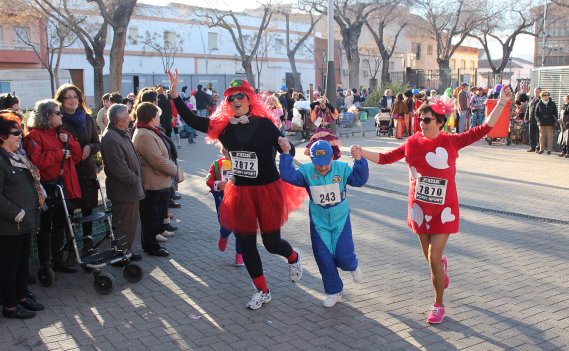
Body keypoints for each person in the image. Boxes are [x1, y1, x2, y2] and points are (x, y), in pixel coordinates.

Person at [352, 85, 513, 324]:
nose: (421, 124)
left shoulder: (452, 142)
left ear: (440, 122)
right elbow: (387, 158)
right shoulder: (412, 143)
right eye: (419, 119)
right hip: (419, 210)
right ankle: (441, 267)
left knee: (433, 257)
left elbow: (484, 128)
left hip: (444, 211)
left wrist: (501, 103)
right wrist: (362, 152)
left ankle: (438, 304)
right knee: (430, 258)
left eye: (426, 120)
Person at [168, 70, 307, 310]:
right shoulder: (224, 128)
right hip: (241, 192)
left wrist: (286, 147)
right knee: (247, 242)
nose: (235, 101)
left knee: (272, 243)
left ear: (250, 99)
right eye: (231, 98)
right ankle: (263, 291)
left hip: (267, 190)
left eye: (240, 96)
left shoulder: (265, 125)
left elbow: (287, 150)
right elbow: (193, 120)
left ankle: (292, 257)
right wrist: (174, 96)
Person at [279, 139, 368, 307]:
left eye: (326, 163)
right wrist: (285, 155)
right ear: (312, 160)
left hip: (340, 220)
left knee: (344, 256)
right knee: (323, 257)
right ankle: (334, 291)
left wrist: (359, 160)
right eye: (318, 164)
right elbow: (288, 175)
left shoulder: (341, 169)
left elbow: (359, 180)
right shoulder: (306, 171)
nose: (322, 168)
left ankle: (353, 266)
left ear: (332, 158)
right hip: (319, 222)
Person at [24, 99, 83, 274]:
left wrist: (69, 142)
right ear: (48, 115)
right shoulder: (34, 136)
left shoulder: (61, 132)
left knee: (60, 223)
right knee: (45, 225)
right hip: (46, 186)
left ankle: (58, 261)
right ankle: (45, 264)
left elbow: (77, 155)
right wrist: (58, 154)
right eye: (58, 113)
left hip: (62, 185)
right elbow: (35, 161)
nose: (61, 115)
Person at [0, 112, 45, 318]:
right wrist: (17, 213)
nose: (20, 135)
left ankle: (21, 296)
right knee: (10, 266)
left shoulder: (17, 156)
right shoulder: (1, 161)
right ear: (2, 136)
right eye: (15, 133)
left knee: (22, 264)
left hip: (25, 222)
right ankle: (10, 305)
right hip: (11, 225)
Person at [55, 83, 100, 243]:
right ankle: (70, 248)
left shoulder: (87, 118)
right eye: (68, 97)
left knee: (88, 209)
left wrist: (89, 147)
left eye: (75, 97)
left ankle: (88, 243)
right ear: (61, 100)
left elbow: (97, 142)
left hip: (86, 170)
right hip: (68, 171)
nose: (73, 100)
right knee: (69, 211)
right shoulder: (57, 121)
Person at [132, 102, 178, 257]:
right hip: (152, 182)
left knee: (156, 214)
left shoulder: (150, 131)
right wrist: (174, 170)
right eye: (158, 115)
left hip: (158, 181)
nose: (160, 118)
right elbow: (157, 160)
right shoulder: (144, 134)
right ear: (151, 118)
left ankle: (155, 241)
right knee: (149, 217)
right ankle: (151, 246)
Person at [100, 104, 144, 261]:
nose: (130, 119)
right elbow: (119, 169)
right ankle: (120, 254)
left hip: (130, 189)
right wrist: (135, 179)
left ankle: (126, 251)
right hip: (124, 190)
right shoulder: (111, 138)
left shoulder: (120, 133)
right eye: (127, 117)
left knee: (130, 223)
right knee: (123, 224)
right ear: (119, 121)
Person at [206, 143, 243, 267]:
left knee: (240, 230)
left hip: (240, 200)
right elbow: (208, 180)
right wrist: (217, 184)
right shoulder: (216, 164)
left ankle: (239, 256)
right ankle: (224, 235)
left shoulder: (243, 163)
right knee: (226, 226)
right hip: (223, 201)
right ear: (223, 151)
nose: (229, 155)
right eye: (227, 152)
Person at [534, 91, 557, 155]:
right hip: (542, 122)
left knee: (550, 136)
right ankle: (541, 149)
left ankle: (549, 150)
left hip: (550, 121)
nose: (546, 96)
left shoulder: (552, 103)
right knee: (541, 136)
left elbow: (555, 112)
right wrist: (538, 120)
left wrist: (555, 120)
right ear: (542, 96)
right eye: (545, 95)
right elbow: (536, 114)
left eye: (547, 95)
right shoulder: (539, 103)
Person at [526, 87, 542, 152]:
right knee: (531, 134)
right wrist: (526, 117)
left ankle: (538, 147)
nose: (536, 93)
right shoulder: (532, 99)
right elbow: (528, 109)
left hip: (537, 120)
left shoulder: (541, 101)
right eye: (535, 92)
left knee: (538, 134)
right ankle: (532, 146)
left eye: (537, 92)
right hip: (531, 119)